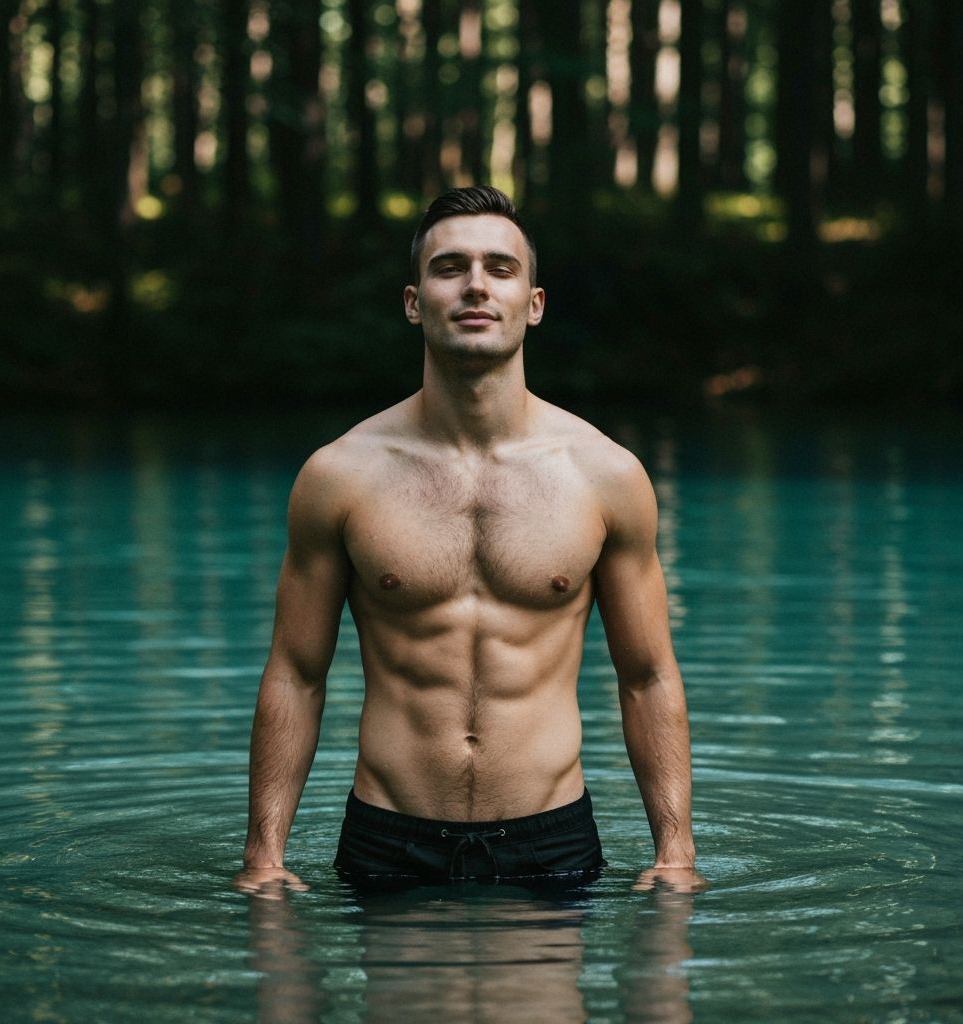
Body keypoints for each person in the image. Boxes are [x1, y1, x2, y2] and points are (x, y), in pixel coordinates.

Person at [234, 185, 702, 895]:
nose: (476, 285)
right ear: (414, 301)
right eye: (450, 267)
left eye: (500, 268)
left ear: (534, 304)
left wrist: (676, 855)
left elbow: (648, 676)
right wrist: (263, 859)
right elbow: (297, 673)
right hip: (389, 837)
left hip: (551, 839)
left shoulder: (605, 475)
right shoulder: (340, 476)